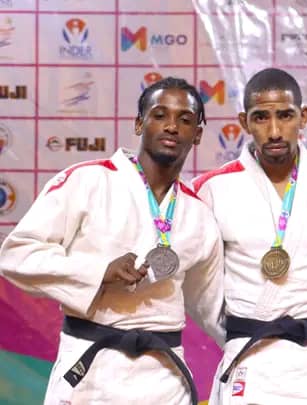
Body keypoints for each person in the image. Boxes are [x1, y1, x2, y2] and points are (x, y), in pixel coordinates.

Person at [0, 77, 225, 405]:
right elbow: (16, 254)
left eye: (185, 119)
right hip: (91, 372)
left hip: (165, 380)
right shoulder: (87, 181)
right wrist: (98, 271)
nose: (172, 126)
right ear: (139, 123)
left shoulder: (199, 215)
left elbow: (214, 308)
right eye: (160, 115)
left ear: (198, 134)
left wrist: (268, 343)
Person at [193, 67, 307, 405]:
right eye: (261, 118)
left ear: (303, 117)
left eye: (285, 116)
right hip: (252, 358)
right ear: (244, 122)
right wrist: (237, 333)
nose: (274, 131)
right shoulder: (212, 189)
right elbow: (200, 288)